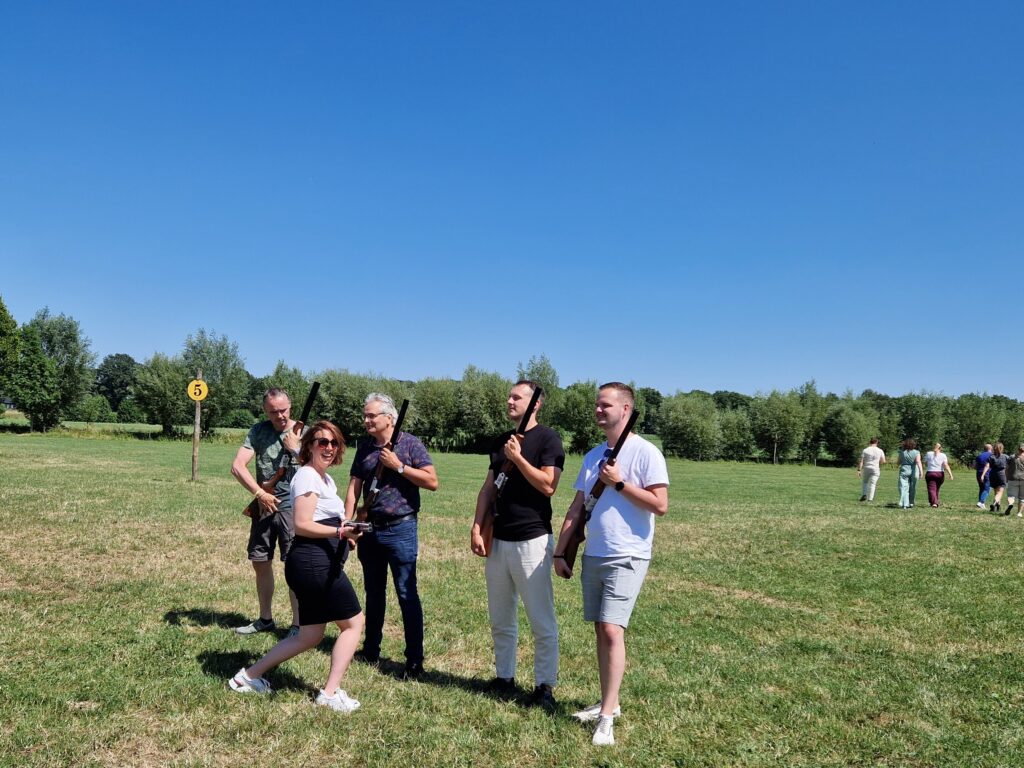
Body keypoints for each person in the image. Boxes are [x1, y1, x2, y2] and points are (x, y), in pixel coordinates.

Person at [553, 382, 669, 747]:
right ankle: (610, 703)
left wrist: (618, 484)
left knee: (611, 629)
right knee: (601, 631)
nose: (598, 410)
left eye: (605, 405)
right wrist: (561, 550)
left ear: (626, 409)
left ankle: (606, 719)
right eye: (596, 405)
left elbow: (659, 504)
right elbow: (576, 507)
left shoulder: (646, 453)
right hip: (595, 554)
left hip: (628, 554)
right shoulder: (591, 456)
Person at [228, 421, 365, 712]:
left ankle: (248, 677)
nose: (328, 448)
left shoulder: (324, 479)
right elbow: (301, 525)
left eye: (334, 443)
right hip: (314, 564)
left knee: (309, 635)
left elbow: (324, 518)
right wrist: (340, 533)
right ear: (308, 446)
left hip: (317, 563)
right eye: (321, 442)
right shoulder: (307, 476)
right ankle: (330, 693)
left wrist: (348, 527)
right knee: (353, 624)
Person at [470, 380, 565, 709]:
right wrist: (476, 525)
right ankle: (504, 677)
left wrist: (519, 459)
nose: (509, 401)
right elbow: (488, 488)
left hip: (532, 539)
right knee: (500, 616)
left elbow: (549, 485)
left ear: (536, 403)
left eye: (517, 397)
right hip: (499, 539)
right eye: (509, 396)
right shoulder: (501, 440)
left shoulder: (548, 439)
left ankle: (544, 686)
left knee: (541, 619)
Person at [344, 393, 438, 679]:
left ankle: (413, 661)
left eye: (372, 415)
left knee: (407, 593)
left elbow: (432, 481)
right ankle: (371, 648)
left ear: (389, 418)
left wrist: (398, 465)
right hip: (369, 528)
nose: (366, 420)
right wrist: (350, 523)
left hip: (401, 528)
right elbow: (354, 487)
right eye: (365, 415)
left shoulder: (410, 444)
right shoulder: (364, 447)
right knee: (373, 593)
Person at [230, 388, 302, 636]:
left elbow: (319, 468)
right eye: (274, 412)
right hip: (264, 506)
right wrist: (260, 493)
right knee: (260, 562)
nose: (280, 416)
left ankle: (298, 626)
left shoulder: (306, 433)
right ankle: (265, 619)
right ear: (265, 411)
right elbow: (238, 466)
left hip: (294, 508)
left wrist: (295, 449)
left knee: (294, 566)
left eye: (283, 410)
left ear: (290, 406)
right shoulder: (258, 431)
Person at [981, 442, 1010, 514]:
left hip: (993, 474)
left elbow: (987, 466)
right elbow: (1010, 466)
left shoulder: (991, 457)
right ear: (1002, 448)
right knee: (1000, 492)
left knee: (996, 491)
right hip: (1002, 474)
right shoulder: (1006, 457)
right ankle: (994, 504)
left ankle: (998, 506)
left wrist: (982, 475)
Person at [923, 443, 953, 508]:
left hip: (930, 473)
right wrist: (950, 474)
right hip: (940, 474)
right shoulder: (943, 455)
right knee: (936, 489)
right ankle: (934, 502)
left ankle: (934, 503)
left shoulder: (928, 453)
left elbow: (925, 462)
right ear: (940, 448)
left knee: (932, 489)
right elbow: (946, 465)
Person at [856, 438, 886, 502]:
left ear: (870, 442)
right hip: (875, 468)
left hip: (867, 467)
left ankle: (864, 494)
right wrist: (879, 463)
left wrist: (859, 470)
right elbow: (883, 461)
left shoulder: (865, 450)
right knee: (873, 483)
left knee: (865, 482)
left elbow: (861, 461)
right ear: (877, 443)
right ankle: (870, 499)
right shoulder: (880, 450)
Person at [896, 439, 924, 509]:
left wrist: (897, 465)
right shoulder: (917, 452)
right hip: (914, 470)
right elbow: (918, 461)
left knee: (904, 487)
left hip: (904, 470)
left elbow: (898, 461)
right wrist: (921, 471)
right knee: (912, 487)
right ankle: (911, 502)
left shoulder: (902, 452)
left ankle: (904, 503)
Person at [1006, 444, 1024, 517]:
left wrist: (1006, 478)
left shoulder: (1011, 457)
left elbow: (1006, 468)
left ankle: (1010, 504)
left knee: (1011, 495)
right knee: (1022, 497)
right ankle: (1019, 513)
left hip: (1012, 478)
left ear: (1018, 449)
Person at [975, 443, 994, 509]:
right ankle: (981, 501)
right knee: (987, 489)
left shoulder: (979, 456)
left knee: (981, 488)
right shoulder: (992, 456)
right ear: (991, 449)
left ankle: (981, 504)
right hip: (988, 473)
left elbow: (975, 466)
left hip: (978, 473)